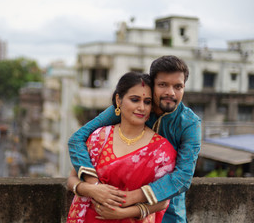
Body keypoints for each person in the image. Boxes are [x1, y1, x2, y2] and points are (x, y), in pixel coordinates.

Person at [68, 55, 201, 222]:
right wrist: (94, 186)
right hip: (106, 209)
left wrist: (128, 199)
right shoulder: (135, 107)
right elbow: (77, 139)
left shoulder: (189, 123)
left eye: (178, 86)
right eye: (162, 85)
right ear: (152, 85)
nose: (170, 92)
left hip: (168, 211)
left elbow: (182, 178)